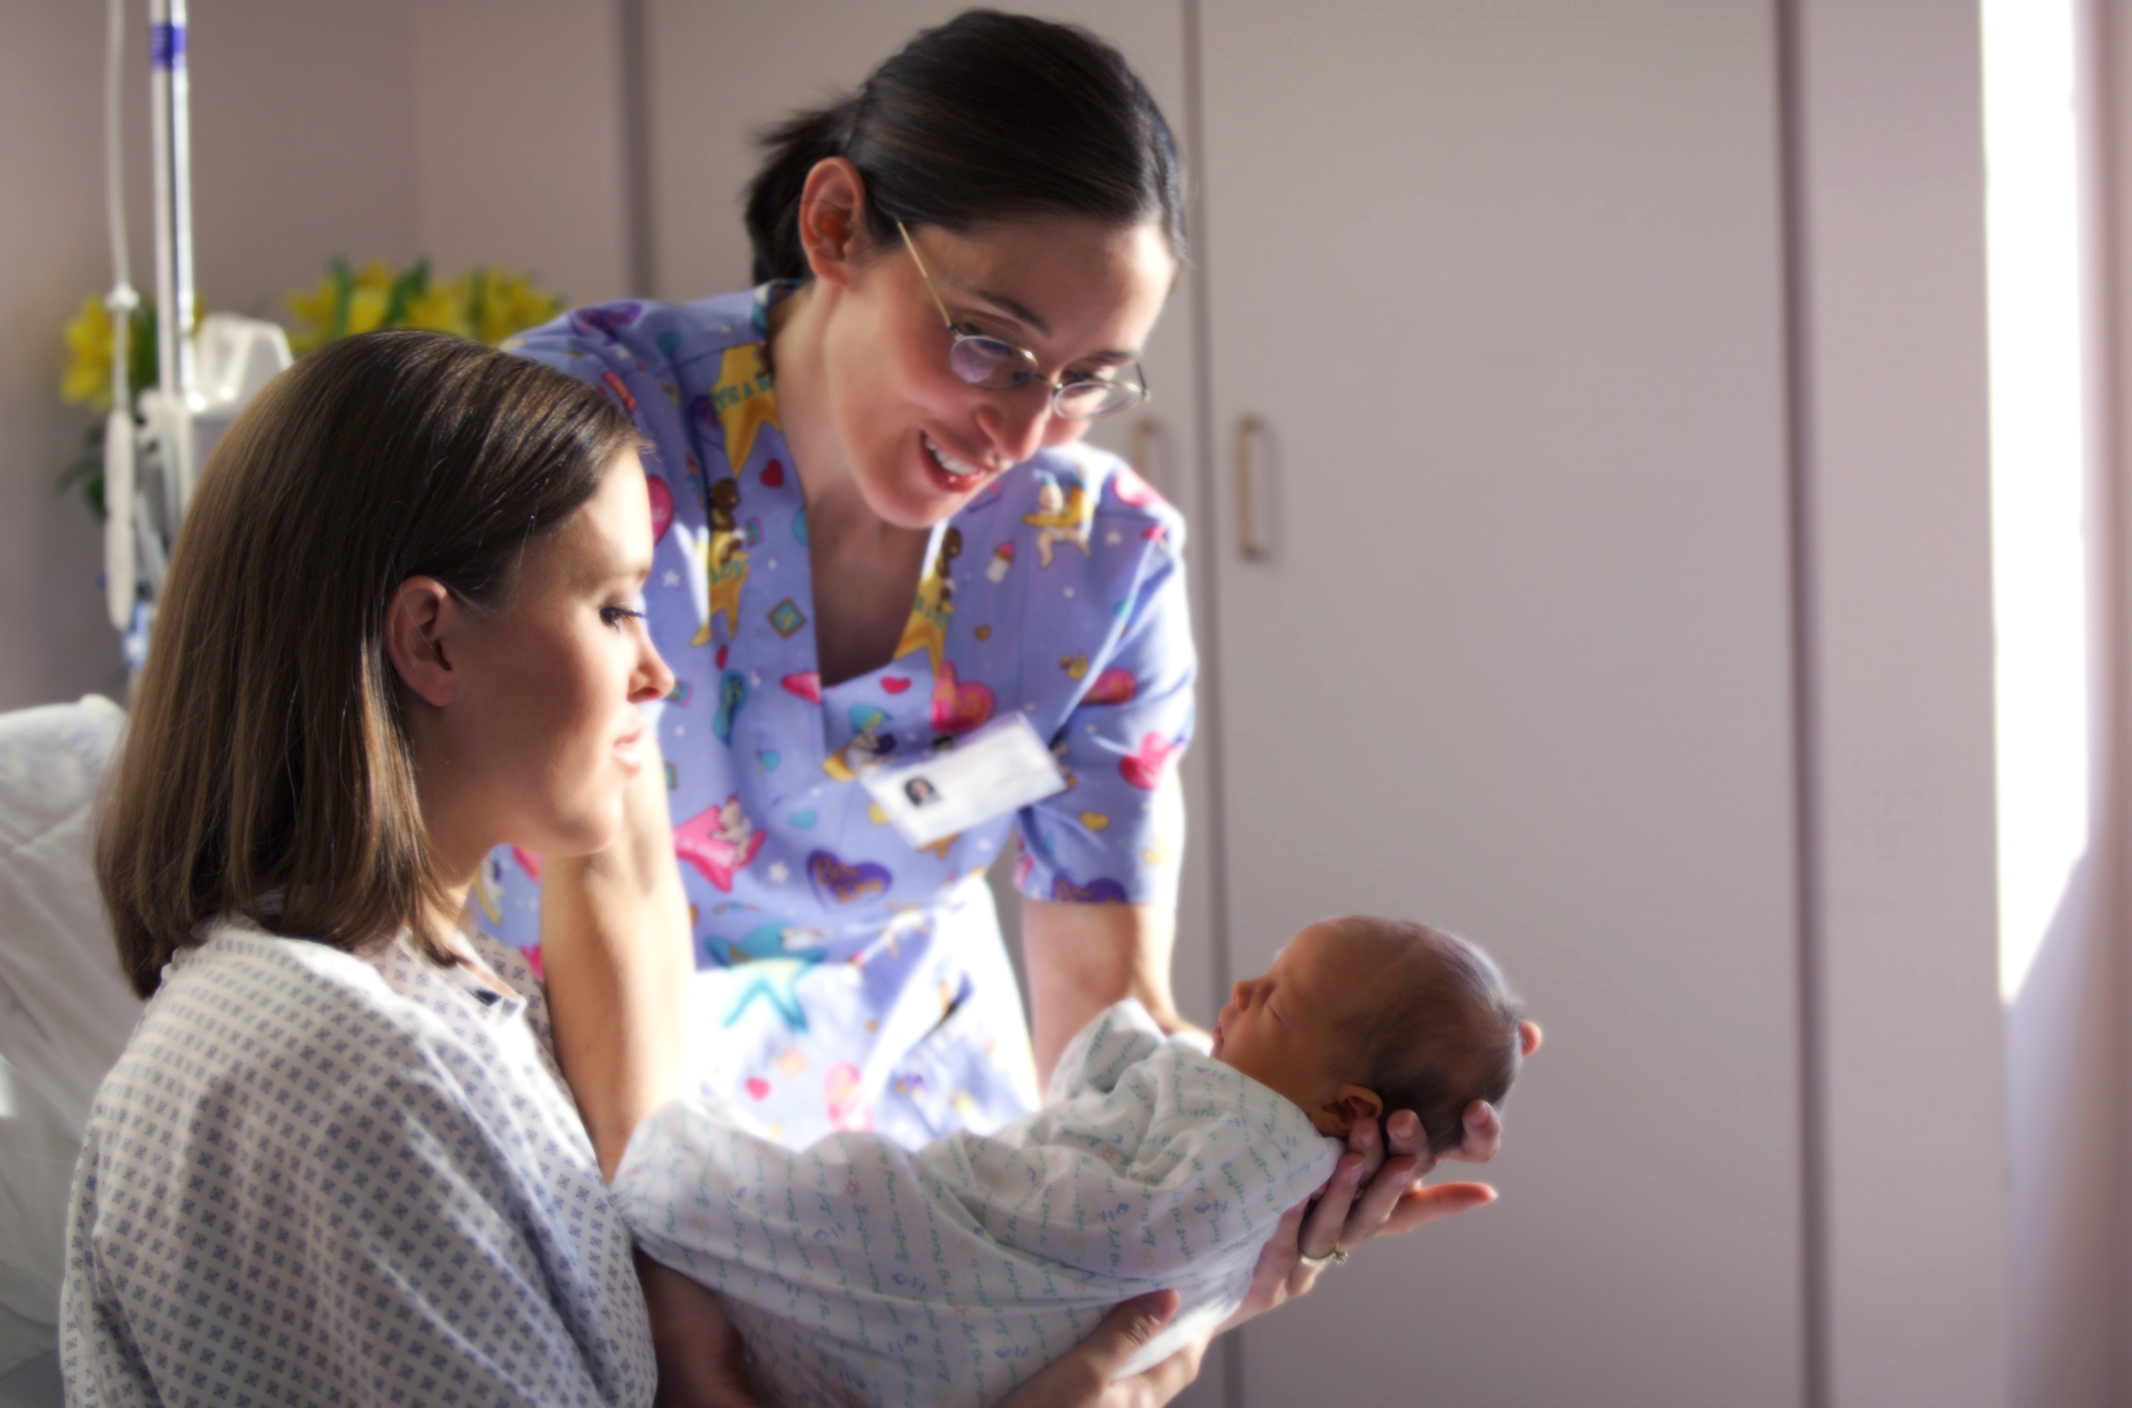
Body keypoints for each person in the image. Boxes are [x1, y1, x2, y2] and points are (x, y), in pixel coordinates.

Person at [500, 10, 1521, 1290]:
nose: (1024, 429)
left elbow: (1105, 1007)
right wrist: (670, 1267)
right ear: (836, 230)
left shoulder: (1099, 566)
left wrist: (1253, 1176)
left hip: (916, 1130)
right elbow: (610, 878)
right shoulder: (597, 434)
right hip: (592, 1089)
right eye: (989, 340)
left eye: (1091, 376)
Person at [607, 918, 1526, 1408]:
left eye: (1276, 1003)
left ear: (1350, 1111)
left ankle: (672, 1183)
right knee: (843, 1201)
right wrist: (1143, 1054)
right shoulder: (1231, 1104)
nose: (1240, 993)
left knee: (858, 1199)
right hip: (1003, 1287)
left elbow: (1136, 1230)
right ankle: (682, 1196)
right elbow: (1089, 1097)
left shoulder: (1274, 1148)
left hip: (992, 1302)